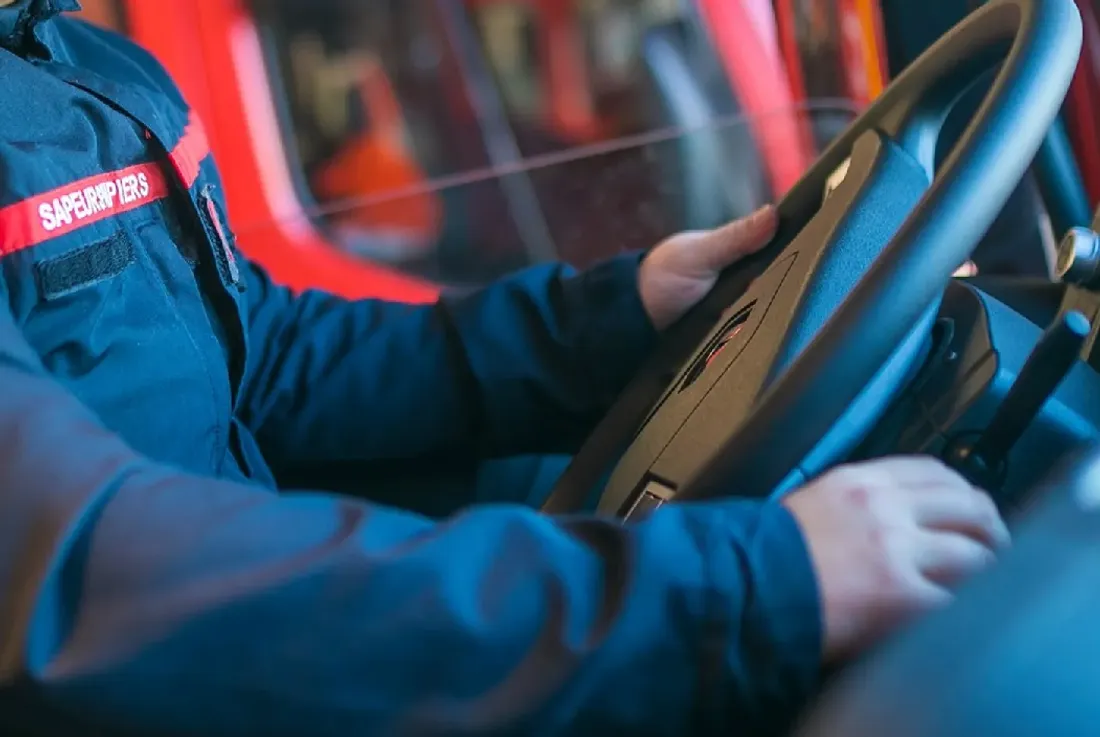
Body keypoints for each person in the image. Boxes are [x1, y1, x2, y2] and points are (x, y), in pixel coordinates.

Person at [0, 2, 1009, 736]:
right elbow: (72, 573)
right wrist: (743, 588)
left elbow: (262, 360)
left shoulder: (82, 65)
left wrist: (614, 319)